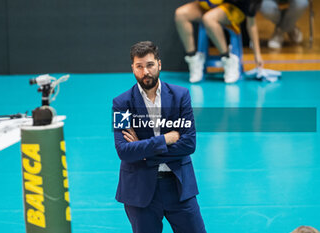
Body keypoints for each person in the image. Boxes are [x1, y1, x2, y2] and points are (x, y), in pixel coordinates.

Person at [112, 41, 206, 233]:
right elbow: (124, 151)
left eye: (150, 65)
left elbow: (189, 144)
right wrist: (165, 139)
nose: (145, 71)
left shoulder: (181, 96)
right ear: (133, 68)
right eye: (139, 66)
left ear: (159, 64)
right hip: (140, 191)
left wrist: (144, 150)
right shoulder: (121, 104)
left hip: (178, 186)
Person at [175, 0, 263, 83]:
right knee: (181, 14)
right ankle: (193, 59)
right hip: (208, 6)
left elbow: (251, 24)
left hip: (234, 8)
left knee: (209, 19)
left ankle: (228, 59)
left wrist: (257, 54)